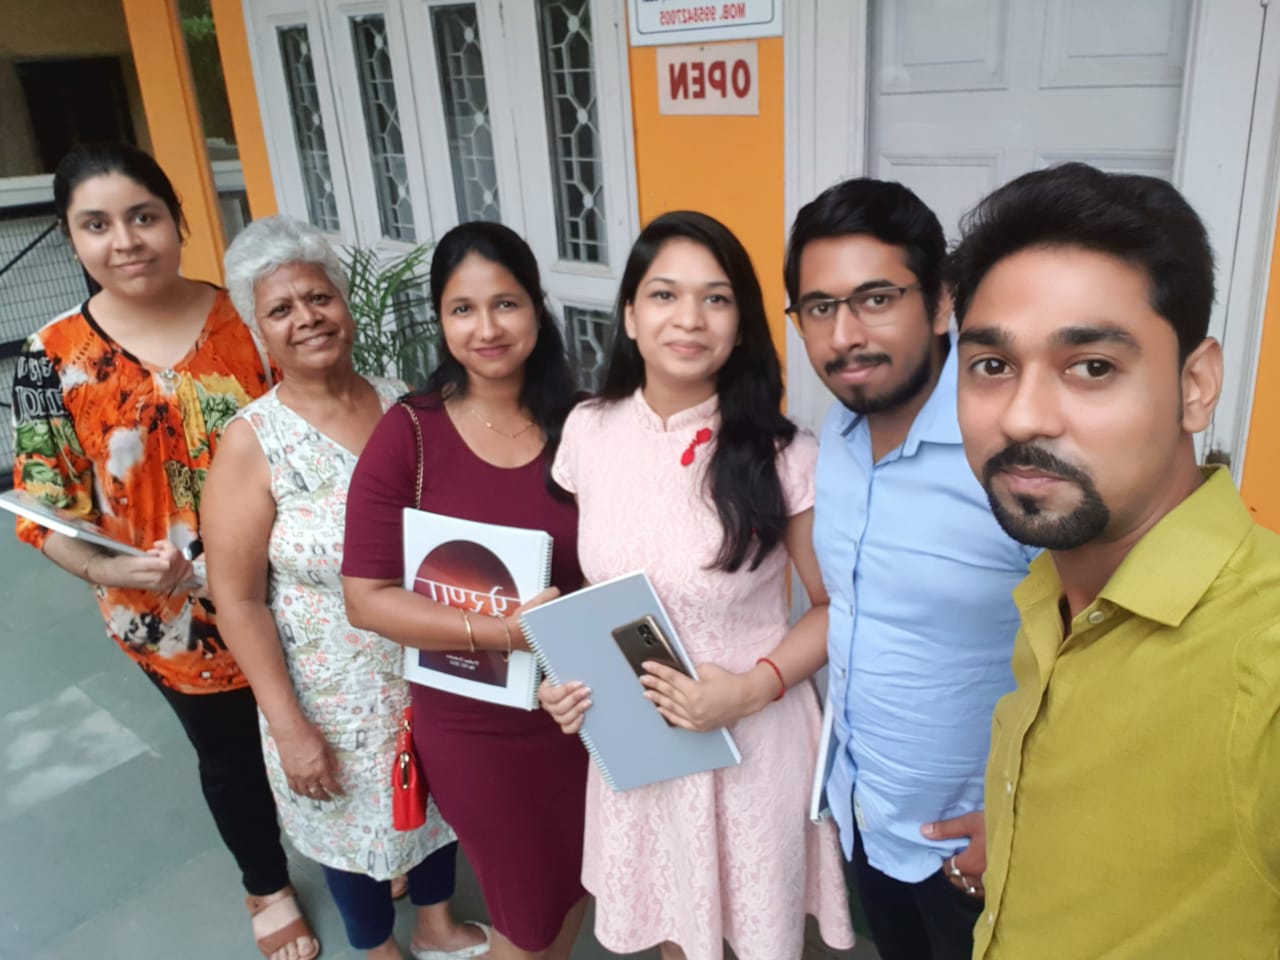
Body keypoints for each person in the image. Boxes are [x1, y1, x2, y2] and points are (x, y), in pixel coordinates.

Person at [948, 162, 1280, 959]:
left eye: (1092, 366)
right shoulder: (1051, 591)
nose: (1022, 416)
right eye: (992, 366)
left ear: (1196, 386)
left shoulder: (1265, 660)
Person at [8, 143, 313, 959]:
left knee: (319, 718)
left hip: (294, 588)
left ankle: (351, 846)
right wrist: (108, 568)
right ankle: (266, 882)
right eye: (96, 225)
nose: (126, 241)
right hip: (168, 614)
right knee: (230, 752)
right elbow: (45, 507)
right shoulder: (50, 357)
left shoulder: (251, 320)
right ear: (70, 238)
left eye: (143, 216)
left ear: (177, 219)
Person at [539, 210, 855, 960]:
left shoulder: (786, 455)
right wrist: (563, 678)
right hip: (639, 742)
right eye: (664, 295)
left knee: (756, 936)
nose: (689, 319)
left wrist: (747, 690)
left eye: (716, 298)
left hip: (750, 735)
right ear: (629, 316)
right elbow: (601, 589)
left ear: (741, 326)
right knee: (675, 935)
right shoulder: (588, 431)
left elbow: (834, 607)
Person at [200, 216, 489, 960]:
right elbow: (238, 598)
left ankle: (436, 924)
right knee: (345, 820)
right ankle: (376, 947)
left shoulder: (408, 406)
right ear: (258, 330)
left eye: (318, 297)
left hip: (428, 662)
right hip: (327, 690)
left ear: (345, 305)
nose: (307, 318)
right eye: (281, 309)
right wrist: (288, 724)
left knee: (437, 801)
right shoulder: (253, 441)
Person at [781, 179, 1035, 960]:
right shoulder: (838, 433)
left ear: (942, 300)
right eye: (819, 307)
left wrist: (1023, 823)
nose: (845, 335)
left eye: (876, 298)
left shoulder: (1015, 446)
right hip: (868, 821)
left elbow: (1108, 657)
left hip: (983, 851)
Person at [341, 221, 588, 960]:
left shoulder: (585, 424)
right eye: (462, 309)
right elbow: (367, 596)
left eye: (505, 303)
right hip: (475, 725)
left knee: (570, 888)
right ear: (441, 321)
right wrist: (506, 633)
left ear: (536, 308)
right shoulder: (410, 434)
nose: (487, 328)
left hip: (582, 708)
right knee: (525, 909)